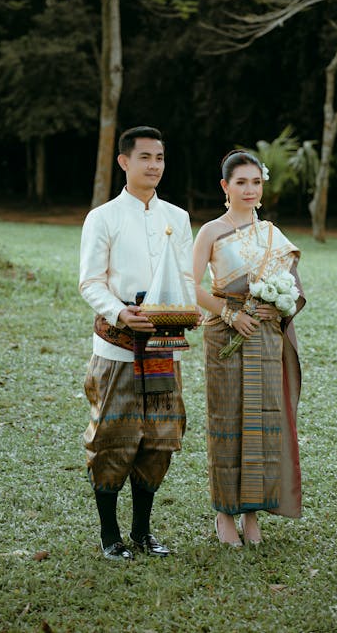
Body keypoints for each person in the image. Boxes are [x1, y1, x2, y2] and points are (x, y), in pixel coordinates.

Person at [79, 126, 196, 560]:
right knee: (113, 438)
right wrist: (119, 313)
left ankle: (143, 533)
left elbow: (184, 278)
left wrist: (188, 310)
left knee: (159, 439)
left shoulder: (177, 217)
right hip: (116, 348)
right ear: (124, 161)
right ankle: (110, 536)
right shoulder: (103, 217)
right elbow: (90, 281)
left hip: (164, 344)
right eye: (145, 157)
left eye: (160, 158)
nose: (154, 166)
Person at [193, 150, 305, 547]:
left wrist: (273, 303)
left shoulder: (272, 233)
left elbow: (291, 287)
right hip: (225, 336)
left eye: (255, 182)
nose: (249, 189)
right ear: (225, 186)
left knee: (262, 421)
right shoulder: (211, 231)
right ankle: (225, 514)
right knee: (227, 420)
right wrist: (228, 313)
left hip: (264, 337)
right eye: (241, 182)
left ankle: (253, 514)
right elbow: (190, 286)